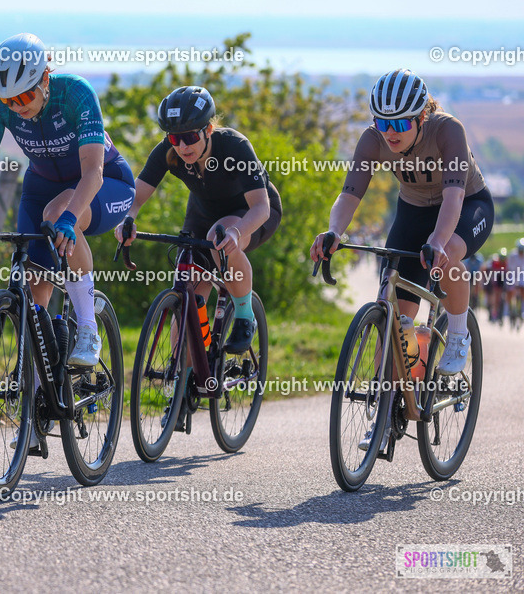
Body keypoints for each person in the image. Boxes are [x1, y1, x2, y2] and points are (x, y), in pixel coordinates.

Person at [0, 33, 135, 447]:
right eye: (9, 102)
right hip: (42, 185)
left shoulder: (75, 93)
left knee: (57, 216)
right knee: (34, 292)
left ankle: (87, 327)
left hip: (105, 184)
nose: (19, 107)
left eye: (25, 96)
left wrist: (68, 217)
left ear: (46, 77)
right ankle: (38, 408)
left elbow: (92, 174)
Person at [309, 69, 494, 449]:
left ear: (421, 117)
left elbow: (455, 198)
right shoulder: (372, 140)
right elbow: (350, 195)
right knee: (396, 312)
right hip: (411, 212)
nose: (390, 132)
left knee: (447, 258)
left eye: (401, 123)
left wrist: (440, 242)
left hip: (466, 207)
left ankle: (457, 333)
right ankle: (388, 408)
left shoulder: (447, 131)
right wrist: (334, 233)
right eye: (382, 122)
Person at [116, 86, 283, 355]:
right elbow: (136, 197)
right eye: (175, 138)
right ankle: (185, 378)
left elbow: (261, 207)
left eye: (191, 137)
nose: (182, 146)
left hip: (252, 212)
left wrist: (237, 233)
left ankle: (244, 314)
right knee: (188, 291)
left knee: (220, 236)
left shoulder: (235, 147)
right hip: (202, 215)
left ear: (208, 130)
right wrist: (127, 220)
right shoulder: (167, 151)